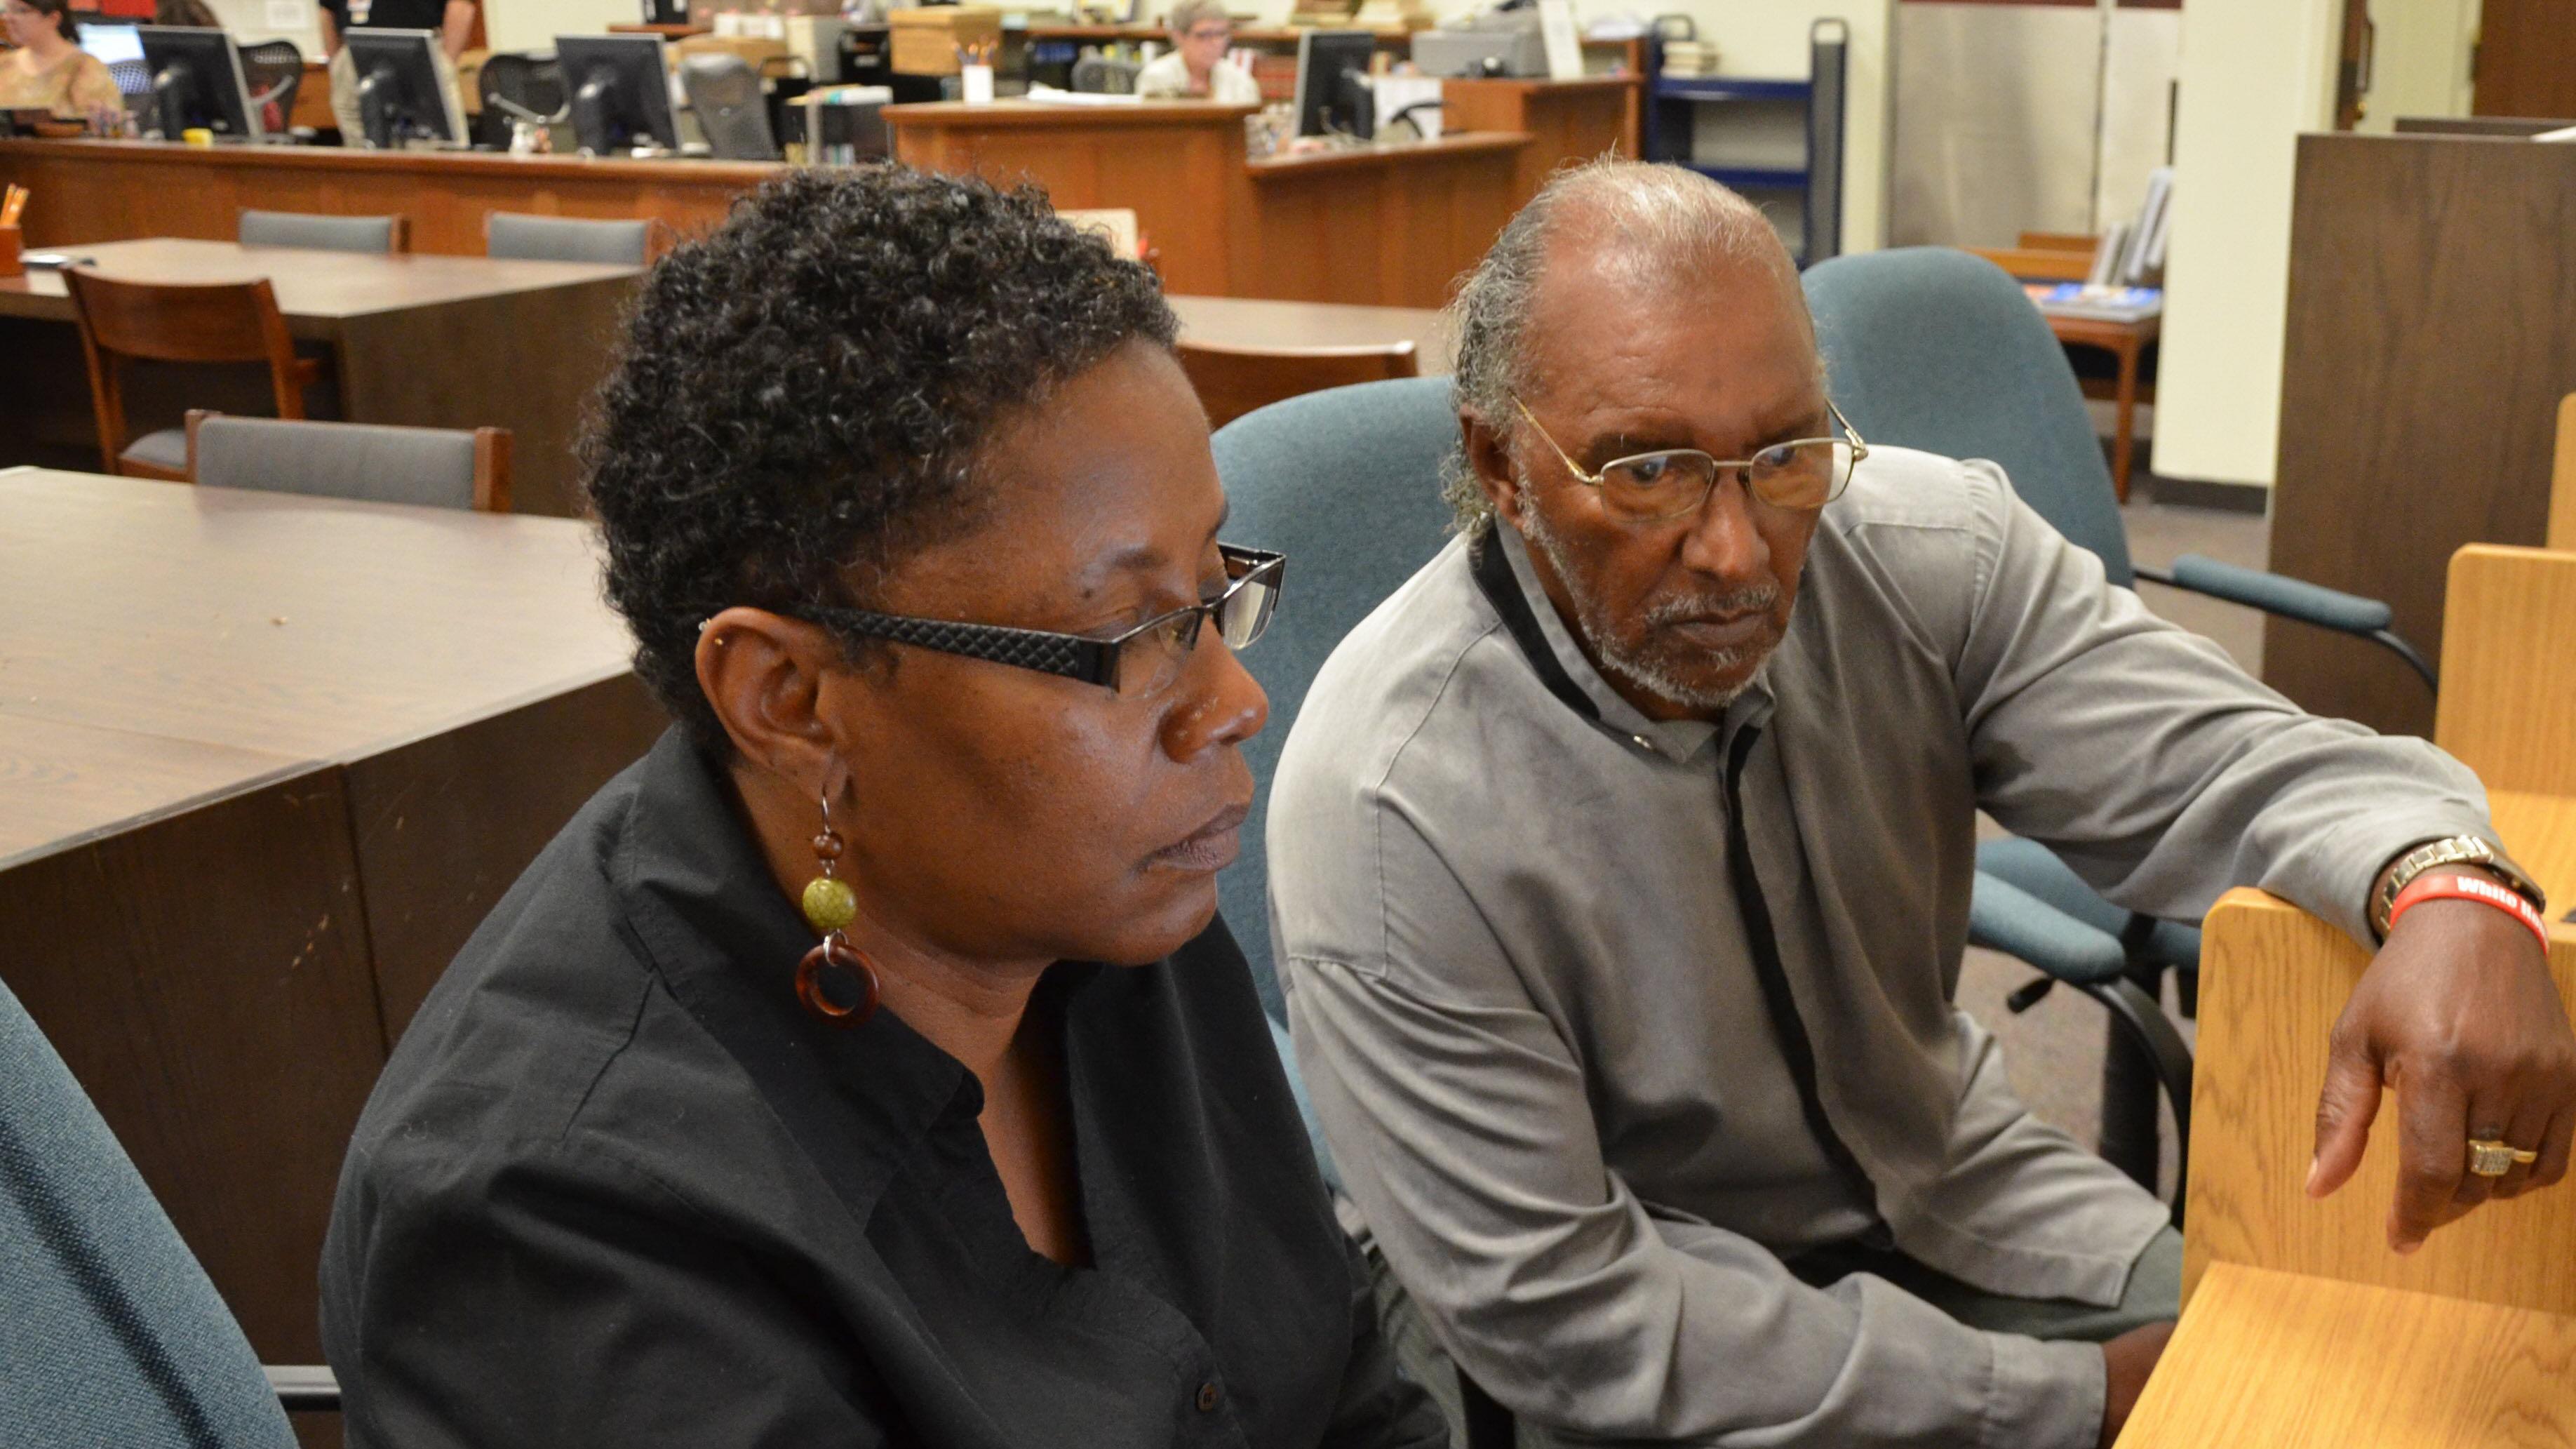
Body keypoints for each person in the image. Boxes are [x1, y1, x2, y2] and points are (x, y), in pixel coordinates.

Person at [1268, 159, 2576, 1449]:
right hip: (1645, 1307)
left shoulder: (1925, 553)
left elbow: (2240, 762)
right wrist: (2072, 1399)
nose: (1735, 552)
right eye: (1649, 471)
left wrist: (2451, 880)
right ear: (1499, 464)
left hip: (1951, 1186)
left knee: (2330, 1386)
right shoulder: (1390, 805)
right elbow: (1579, 1321)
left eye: (1781, 454)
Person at [319, 166, 1446, 1449]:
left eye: (1209, 590)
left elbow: (1347, 1396)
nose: (1232, 698)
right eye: (1127, 630)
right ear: (792, 701)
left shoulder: (1114, 895)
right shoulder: (563, 1232)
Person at [316, 0, 469, 142]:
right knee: (360, 143)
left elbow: (461, 5)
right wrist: (338, 64)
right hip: (354, 50)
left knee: (436, 141)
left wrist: (445, 64)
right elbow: (327, 10)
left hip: (419, 47)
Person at [0, 0, 122, 122]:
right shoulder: (5, 64)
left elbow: (106, 125)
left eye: (21, 11)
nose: (7, 18)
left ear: (53, 18)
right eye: (6, 11)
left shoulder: (82, 65)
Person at [1136, 0, 1260, 105]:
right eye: (1204, 35)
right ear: (1179, 37)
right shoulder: (1157, 78)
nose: (1216, 43)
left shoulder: (1239, 80)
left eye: (1221, 34)